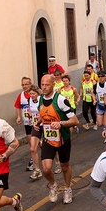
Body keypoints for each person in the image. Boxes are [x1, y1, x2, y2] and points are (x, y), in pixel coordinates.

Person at [35, 74, 79, 203]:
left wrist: (60, 123)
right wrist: (37, 122)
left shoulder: (60, 100)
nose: (44, 87)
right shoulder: (39, 99)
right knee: (46, 169)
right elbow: (43, 115)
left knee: (64, 166)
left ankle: (67, 188)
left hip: (63, 138)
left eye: (47, 84)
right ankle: (53, 185)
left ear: (53, 85)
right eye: (42, 84)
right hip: (49, 138)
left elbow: (75, 120)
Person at [14, 77, 33, 171]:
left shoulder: (34, 94)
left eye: (26, 84)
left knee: (40, 142)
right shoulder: (20, 95)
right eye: (23, 85)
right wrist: (18, 117)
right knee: (31, 142)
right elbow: (18, 106)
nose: (24, 86)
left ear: (30, 84)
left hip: (37, 122)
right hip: (27, 123)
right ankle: (33, 158)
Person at [28, 85, 43, 180]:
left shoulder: (42, 99)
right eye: (30, 94)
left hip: (45, 125)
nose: (31, 95)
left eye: (33, 93)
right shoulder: (30, 100)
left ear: (37, 93)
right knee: (33, 149)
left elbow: (45, 112)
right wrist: (31, 117)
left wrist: (38, 120)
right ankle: (37, 170)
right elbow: (31, 110)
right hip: (36, 126)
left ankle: (58, 163)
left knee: (52, 146)